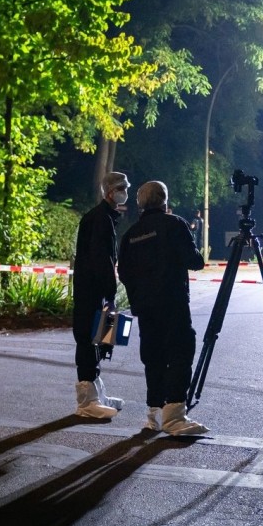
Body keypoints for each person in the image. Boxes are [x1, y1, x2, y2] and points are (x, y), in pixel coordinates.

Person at [117, 180, 208, 436]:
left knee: (153, 357)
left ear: (139, 204)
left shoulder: (131, 234)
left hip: (145, 307)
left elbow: (123, 271)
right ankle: (175, 415)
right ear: (164, 201)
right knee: (180, 352)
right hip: (173, 303)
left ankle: (153, 414)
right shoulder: (174, 225)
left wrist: (137, 296)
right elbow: (195, 261)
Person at [71, 171, 130, 419]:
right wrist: (110, 292)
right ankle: (86, 402)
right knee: (88, 339)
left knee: (96, 340)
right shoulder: (101, 219)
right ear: (110, 192)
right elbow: (101, 260)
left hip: (91, 289)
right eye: (121, 188)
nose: (124, 192)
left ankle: (97, 394)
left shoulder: (104, 217)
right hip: (91, 290)